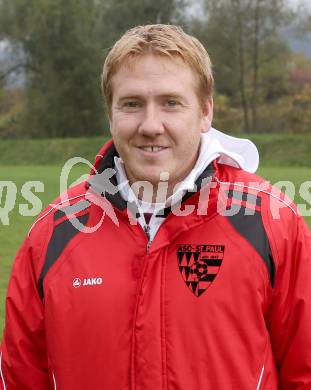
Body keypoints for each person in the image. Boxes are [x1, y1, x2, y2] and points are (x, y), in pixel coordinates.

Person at [1, 24, 311, 390]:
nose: (150, 125)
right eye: (132, 104)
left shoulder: (272, 224)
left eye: (171, 103)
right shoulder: (54, 234)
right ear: (110, 112)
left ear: (205, 111)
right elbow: (20, 379)